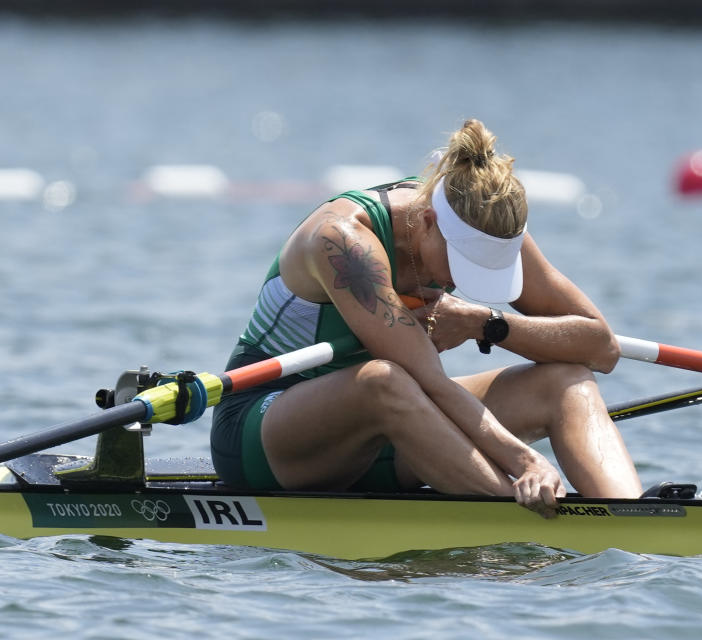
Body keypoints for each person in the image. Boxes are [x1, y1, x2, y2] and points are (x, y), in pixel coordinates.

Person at [211, 119, 642, 517]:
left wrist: (486, 324)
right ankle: (521, 515)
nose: (461, 279)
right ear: (430, 221)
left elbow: (601, 347)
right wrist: (528, 462)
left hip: (395, 433)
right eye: (460, 262)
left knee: (565, 380)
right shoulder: (343, 240)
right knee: (382, 379)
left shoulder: (486, 221)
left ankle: (633, 524)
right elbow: (430, 381)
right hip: (268, 434)